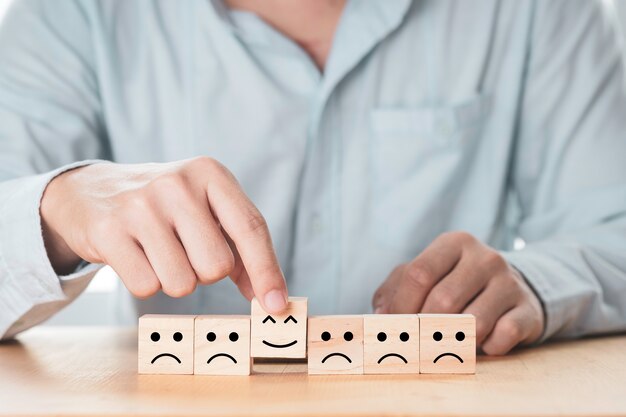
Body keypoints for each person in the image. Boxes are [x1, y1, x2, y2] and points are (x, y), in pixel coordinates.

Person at [1, 0, 625, 355]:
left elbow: (615, 231)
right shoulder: (72, 14)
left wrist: (535, 285)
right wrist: (57, 213)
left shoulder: (542, 11)